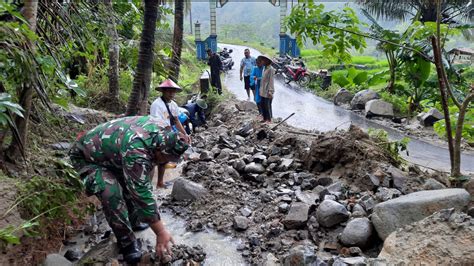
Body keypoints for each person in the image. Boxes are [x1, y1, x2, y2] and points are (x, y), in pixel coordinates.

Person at [69, 116, 189, 263]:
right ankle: (127, 242)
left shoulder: (164, 132)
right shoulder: (137, 148)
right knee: (110, 192)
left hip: (115, 154)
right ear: (159, 149)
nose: (166, 161)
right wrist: (160, 231)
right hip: (87, 158)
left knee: (132, 182)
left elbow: (139, 181)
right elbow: (141, 192)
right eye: (166, 157)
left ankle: (134, 220)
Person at [150, 79, 191, 188]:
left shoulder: (173, 105)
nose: (172, 94)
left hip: (168, 134)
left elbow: (176, 120)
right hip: (157, 133)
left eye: (173, 91)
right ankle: (148, 185)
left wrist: (185, 134)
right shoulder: (156, 105)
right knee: (153, 160)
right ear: (163, 91)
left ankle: (160, 182)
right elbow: (156, 122)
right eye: (169, 91)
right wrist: (175, 134)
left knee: (164, 159)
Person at [258, 54, 275, 123]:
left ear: (266, 61)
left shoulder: (271, 69)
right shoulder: (265, 68)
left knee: (267, 105)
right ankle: (264, 118)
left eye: (263, 60)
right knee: (262, 104)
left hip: (267, 90)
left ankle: (269, 119)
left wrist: (270, 91)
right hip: (263, 90)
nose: (262, 61)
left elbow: (271, 80)